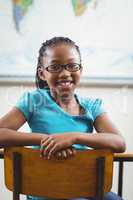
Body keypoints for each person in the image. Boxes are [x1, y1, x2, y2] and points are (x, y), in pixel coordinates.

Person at [0, 37, 126, 200]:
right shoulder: (33, 100)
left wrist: (72, 137)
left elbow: (119, 143)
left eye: (72, 66)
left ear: (81, 70)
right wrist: (49, 140)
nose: (65, 73)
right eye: (54, 67)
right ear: (42, 73)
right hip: (45, 190)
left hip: (85, 187)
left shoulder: (92, 106)